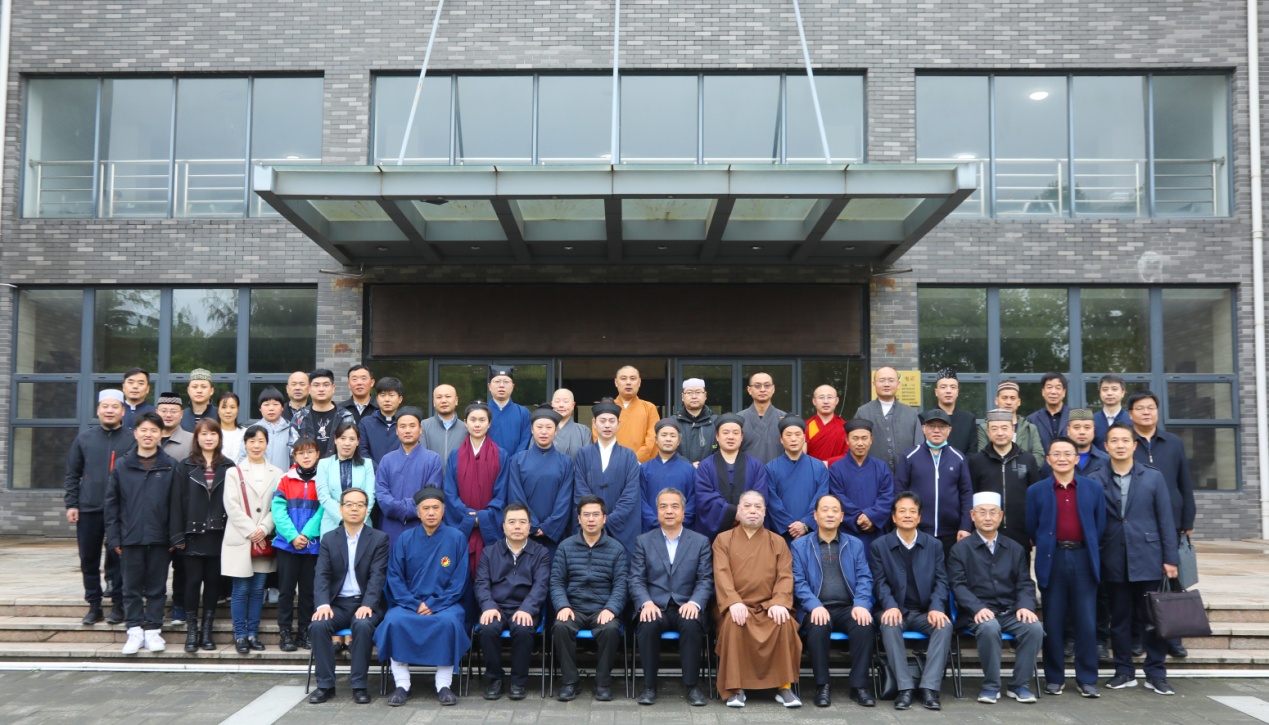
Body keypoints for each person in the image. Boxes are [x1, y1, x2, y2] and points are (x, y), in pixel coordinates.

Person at [1091, 423, 1180, 695]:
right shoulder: (1094, 479)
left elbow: (1166, 520)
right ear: (1105, 446)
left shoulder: (1153, 477)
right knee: (1119, 619)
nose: (1120, 445)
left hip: (1149, 557)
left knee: (1154, 619)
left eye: (1125, 440)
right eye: (1114, 440)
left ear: (1134, 445)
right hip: (1112, 557)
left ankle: (1156, 673)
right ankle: (1123, 671)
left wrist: (1171, 559)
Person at [1026, 436, 1106, 698]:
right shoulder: (1036, 491)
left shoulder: (1093, 488)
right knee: (1053, 621)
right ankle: (1054, 678)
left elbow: (1099, 526)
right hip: (1053, 559)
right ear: (1048, 460)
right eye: (1056, 454)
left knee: (1086, 622)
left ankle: (1087, 679)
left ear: (1077, 459)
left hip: (1083, 559)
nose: (1062, 458)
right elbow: (1032, 527)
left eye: (1067, 453)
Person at [376, 487, 470, 707]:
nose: (431, 512)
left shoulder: (456, 538)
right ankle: (402, 684)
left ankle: (443, 684)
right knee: (393, 621)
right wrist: (414, 603)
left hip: (446, 604)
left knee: (449, 623)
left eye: (436, 508)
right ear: (418, 513)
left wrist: (435, 604)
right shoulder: (405, 539)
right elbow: (394, 577)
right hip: (409, 604)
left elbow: (460, 580)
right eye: (426, 508)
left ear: (443, 511)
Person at [948, 491, 1043, 705]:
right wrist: (977, 608)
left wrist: (1025, 606)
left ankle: (1019, 685)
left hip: (1009, 611)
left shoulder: (1015, 548)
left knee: (1034, 628)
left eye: (993, 513)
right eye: (982, 512)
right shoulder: (960, 550)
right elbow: (958, 585)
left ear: (1001, 516)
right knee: (989, 627)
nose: (988, 518)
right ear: (972, 515)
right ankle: (991, 686)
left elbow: (1025, 582)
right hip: (975, 613)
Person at [712, 490, 803, 708]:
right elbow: (721, 574)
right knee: (734, 623)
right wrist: (733, 602)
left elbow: (785, 576)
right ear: (738, 511)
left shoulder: (777, 541)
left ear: (764, 512)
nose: (752, 511)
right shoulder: (723, 540)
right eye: (747, 506)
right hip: (736, 606)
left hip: (768, 607)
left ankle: (784, 687)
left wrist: (780, 602)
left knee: (784, 622)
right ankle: (736, 688)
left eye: (758, 506)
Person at [1126, 390, 1195, 660]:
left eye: (1151, 407)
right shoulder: (1126, 442)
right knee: (1139, 585)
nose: (1146, 412)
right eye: (1140, 408)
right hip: (1139, 524)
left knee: (1172, 582)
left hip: (1172, 523)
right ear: (1130, 414)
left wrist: (1187, 519)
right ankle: (1138, 638)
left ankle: (1173, 637)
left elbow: (1184, 483)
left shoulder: (1173, 442)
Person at [791, 493, 876, 708]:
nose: (830, 514)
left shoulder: (854, 544)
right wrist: (814, 605)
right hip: (816, 607)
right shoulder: (800, 545)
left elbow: (865, 578)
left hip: (848, 607)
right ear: (815, 515)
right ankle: (822, 685)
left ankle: (859, 686)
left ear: (842, 516)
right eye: (825, 510)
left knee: (864, 625)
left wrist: (861, 604)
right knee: (818, 626)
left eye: (835, 510)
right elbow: (798, 582)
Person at [630, 488, 713, 707]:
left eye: (674, 506)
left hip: (686, 604)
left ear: (683, 512)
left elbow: (705, 579)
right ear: (657, 512)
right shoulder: (644, 541)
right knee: (647, 624)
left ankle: (692, 686)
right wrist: (646, 603)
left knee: (691, 623)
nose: (669, 511)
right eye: (663, 506)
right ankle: (649, 687)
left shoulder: (700, 542)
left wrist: (695, 602)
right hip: (655, 605)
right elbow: (636, 579)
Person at [308, 487, 391, 705]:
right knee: (318, 625)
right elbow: (322, 575)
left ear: (366, 509)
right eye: (349, 504)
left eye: (360, 505)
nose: (354, 508)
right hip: (337, 604)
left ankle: (359, 685)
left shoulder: (379, 539)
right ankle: (325, 685)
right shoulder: (329, 539)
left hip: (366, 603)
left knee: (362, 625)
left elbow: (377, 576)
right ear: (341, 508)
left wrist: (368, 604)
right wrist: (323, 604)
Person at [869, 491, 951, 711]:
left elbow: (941, 581)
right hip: (895, 610)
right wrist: (890, 606)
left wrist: (936, 608)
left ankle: (929, 688)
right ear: (894, 517)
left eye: (912, 511)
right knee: (889, 624)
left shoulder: (934, 545)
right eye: (902, 511)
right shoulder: (879, 545)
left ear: (919, 517)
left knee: (944, 625)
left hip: (924, 612)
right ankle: (904, 688)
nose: (907, 515)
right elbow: (879, 582)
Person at [104, 412, 176, 655]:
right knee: (131, 588)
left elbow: (177, 505)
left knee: (157, 587)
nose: (148, 435)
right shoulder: (122, 465)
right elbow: (111, 505)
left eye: (154, 430)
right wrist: (114, 537)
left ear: (161, 434)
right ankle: (134, 630)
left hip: (160, 538)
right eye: (143, 430)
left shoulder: (170, 465)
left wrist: (174, 536)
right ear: (135, 433)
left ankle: (153, 630)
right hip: (130, 537)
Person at [550, 495, 629, 702]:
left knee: (610, 629)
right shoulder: (565, 547)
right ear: (579, 519)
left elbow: (621, 584)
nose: (591, 519)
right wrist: (563, 606)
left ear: (604, 518)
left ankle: (603, 682)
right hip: (573, 608)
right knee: (561, 627)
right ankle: (570, 682)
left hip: (603, 609)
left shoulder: (616, 549)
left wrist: (611, 609)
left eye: (595, 514)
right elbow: (556, 582)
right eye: (586, 515)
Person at [64, 389, 133, 625]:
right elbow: (72, 474)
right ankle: (94, 605)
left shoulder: (131, 439)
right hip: (88, 508)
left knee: (119, 559)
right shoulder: (84, 438)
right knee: (88, 559)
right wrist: (72, 504)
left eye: (115, 407)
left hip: (121, 511)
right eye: (105, 406)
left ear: (123, 411)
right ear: (98, 410)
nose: (109, 411)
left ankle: (119, 605)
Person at [475, 502, 552, 701]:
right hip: (497, 607)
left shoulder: (541, 553)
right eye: (512, 522)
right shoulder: (489, 552)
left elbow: (541, 585)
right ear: (503, 526)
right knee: (488, 628)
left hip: (525, 607)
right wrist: (488, 606)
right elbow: (481, 583)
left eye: (522, 522)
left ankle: (518, 681)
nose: (517, 526)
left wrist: (527, 608)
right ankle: (495, 679)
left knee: (523, 628)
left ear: (529, 526)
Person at [170, 418, 234, 653]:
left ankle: (206, 632)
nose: (209, 438)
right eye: (204, 434)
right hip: (192, 535)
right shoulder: (185, 466)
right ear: (196, 438)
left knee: (213, 584)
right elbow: (175, 503)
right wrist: (177, 535)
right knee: (192, 581)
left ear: (219, 437)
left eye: (213, 434)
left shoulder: (228, 466)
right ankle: (192, 631)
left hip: (219, 535)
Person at [222, 424, 282, 654]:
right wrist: (252, 530)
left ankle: (253, 633)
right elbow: (231, 505)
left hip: (264, 539)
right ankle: (240, 635)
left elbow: (278, 506)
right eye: (252, 441)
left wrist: (264, 528)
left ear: (267, 444)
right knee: (240, 590)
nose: (256, 445)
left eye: (261, 441)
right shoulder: (233, 472)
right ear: (245, 444)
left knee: (258, 589)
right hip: (240, 538)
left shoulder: (277, 473)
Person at [442, 402, 507, 594]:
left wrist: (484, 517)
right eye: (473, 420)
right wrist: (470, 516)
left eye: (482, 420)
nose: (477, 424)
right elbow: (450, 493)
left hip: (489, 527)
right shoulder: (455, 455)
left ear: (489, 424)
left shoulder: (501, 455)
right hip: (463, 524)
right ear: (465, 423)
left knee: (490, 573)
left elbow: (502, 493)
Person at [896, 409, 973, 558]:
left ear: (949, 430)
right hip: (917, 530)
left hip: (952, 532)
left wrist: (965, 526)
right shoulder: (910, 456)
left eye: (942, 426)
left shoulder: (958, 458)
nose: (936, 430)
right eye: (931, 426)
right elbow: (899, 491)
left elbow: (966, 493)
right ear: (923, 429)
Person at [271, 436, 324, 653]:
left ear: (317, 454)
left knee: (308, 592)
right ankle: (285, 633)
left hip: (312, 546)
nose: (306, 456)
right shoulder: (285, 479)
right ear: (294, 456)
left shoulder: (322, 479)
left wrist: (306, 534)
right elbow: (278, 511)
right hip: (287, 545)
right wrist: (293, 536)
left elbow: (322, 510)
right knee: (286, 591)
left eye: (310, 452)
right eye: (301, 453)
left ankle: (304, 632)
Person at [968, 409, 1043, 552]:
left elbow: (1036, 498)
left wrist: (1034, 530)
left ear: (1013, 430)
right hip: (986, 533)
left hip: (1021, 533)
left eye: (1004, 428)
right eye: (994, 429)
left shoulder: (1027, 459)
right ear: (988, 432)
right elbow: (971, 496)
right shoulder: (977, 461)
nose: (1000, 433)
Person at [574, 399, 642, 556]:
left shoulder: (629, 455)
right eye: (602, 421)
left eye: (612, 421)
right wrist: (594, 517)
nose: (607, 425)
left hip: (621, 526)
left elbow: (631, 493)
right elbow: (580, 488)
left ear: (619, 424)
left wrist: (609, 519)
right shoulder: (583, 454)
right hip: (590, 524)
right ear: (594, 423)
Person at [505, 406, 575, 550]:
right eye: (539, 427)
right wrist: (531, 524)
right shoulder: (518, 460)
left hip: (555, 534)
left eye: (549, 427)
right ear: (532, 429)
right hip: (525, 531)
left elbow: (565, 499)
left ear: (556, 431)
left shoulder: (565, 462)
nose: (544, 432)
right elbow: (515, 495)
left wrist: (549, 527)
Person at [694, 413, 770, 539]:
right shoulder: (705, 466)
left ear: (741, 437)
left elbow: (760, 496)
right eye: (725, 432)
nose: (731, 437)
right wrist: (733, 513)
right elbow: (704, 498)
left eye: (735, 433)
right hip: (714, 535)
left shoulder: (755, 465)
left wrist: (746, 512)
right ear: (717, 436)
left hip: (749, 531)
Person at [375, 406, 444, 547]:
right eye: (403, 426)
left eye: (412, 426)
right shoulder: (387, 460)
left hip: (420, 525)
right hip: (391, 524)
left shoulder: (433, 459)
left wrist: (407, 510)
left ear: (420, 429)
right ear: (396, 430)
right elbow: (381, 493)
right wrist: (401, 510)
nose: (407, 430)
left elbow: (431, 494)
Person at [827, 418, 895, 549]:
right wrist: (859, 518)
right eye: (855, 438)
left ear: (871, 440)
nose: (860, 443)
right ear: (847, 440)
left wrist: (871, 517)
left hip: (876, 529)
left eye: (864, 438)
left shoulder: (881, 467)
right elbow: (837, 497)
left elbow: (887, 497)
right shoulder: (836, 469)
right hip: (846, 531)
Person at [156, 391, 192, 624]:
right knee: (156, 566)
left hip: (182, 513)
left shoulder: (191, 440)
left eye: (173, 411)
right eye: (164, 411)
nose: (168, 415)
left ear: (181, 414)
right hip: (154, 514)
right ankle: (156, 607)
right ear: (156, 413)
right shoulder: (147, 436)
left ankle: (179, 605)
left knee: (182, 566)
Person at [765, 415, 829, 542]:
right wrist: (790, 525)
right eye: (788, 435)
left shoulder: (819, 467)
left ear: (804, 438)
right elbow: (772, 501)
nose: (793, 439)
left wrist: (805, 524)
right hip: (782, 534)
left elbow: (821, 498)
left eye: (798, 434)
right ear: (781, 439)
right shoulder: (771, 468)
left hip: (811, 533)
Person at [854, 366, 923, 473]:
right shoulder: (863, 412)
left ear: (898, 384)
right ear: (874, 384)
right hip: (871, 474)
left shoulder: (911, 414)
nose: (886, 384)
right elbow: (854, 446)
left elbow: (919, 448)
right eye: (882, 380)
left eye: (891, 380)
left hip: (905, 475)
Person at [315, 421, 376, 537]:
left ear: (358, 441)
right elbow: (323, 496)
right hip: (332, 523)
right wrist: (344, 519)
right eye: (342, 438)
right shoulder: (324, 464)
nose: (347, 443)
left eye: (352, 439)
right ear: (335, 439)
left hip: (362, 523)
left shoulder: (367, 464)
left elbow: (370, 495)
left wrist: (358, 519)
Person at [639, 419, 697, 532]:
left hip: (681, 530)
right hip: (651, 530)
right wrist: (654, 522)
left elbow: (693, 501)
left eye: (673, 436)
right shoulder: (644, 469)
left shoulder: (689, 470)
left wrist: (680, 521)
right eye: (664, 435)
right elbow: (641, 501)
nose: (668, 439)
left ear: (679, 441)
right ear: (656, 439)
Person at [976, 381, 1045, 460]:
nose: (1008, 402)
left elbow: (1039, 456)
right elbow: (982, 457)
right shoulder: (985, 427)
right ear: (996, 400)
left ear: (1019, 402)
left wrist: (1018, 467)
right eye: (1004, 398)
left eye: (1012, 398)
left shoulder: (1030, 428)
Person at [604, 365, 659, 463]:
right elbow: (599, 437)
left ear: (639, 382)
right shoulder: (606, 408)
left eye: (632, 378)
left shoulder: (649, 408)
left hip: (641, 464)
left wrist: (634, 460)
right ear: (616, 382)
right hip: (612, 463)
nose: (628, 382)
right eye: (623, 378)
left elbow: (652, 438)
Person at [295, 368, 354, 458]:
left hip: (337, 465)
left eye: (326, 385)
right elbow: (293, 448)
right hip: (307, 466)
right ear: (309, 389)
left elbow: (352, 446)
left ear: (333, 388)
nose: (321, 389)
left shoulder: (345, 416)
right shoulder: (300, 417)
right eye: (316, 385)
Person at [738, 371, 786, 464]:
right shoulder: (738, 419)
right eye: (757, 386)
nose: (762, 390)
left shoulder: (784, 419)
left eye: (767, 386)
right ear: (749, 390)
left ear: (773, 389)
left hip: (777, 472)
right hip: (747, 472)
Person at [422, 384, 468, 474]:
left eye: (448, 396)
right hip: (432, 479)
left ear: (456, 400)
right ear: (434, 402)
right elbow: (422, 458)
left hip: (458, 479)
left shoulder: (466, 428)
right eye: (439, 397)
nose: (443, 401)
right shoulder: (423, 426)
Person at [359, 376, 404, 467]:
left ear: (400, 399)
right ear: (377, 398)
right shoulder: (366, 423)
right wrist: (379, 471)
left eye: (391, 395)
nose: (387, 399)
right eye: (382, 395)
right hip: (372, 473)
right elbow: (362, 451)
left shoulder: (405, 424)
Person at [249, 387, 298, 470]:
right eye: (266, 405)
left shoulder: (290, 430)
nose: (271, 408)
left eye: (275, 404)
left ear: (282, 407)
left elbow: (297, 456)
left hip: (284, 477)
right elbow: (243, 456)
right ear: (260, 408)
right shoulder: (252, 430)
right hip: (257, 477)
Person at [672, 378, 718, 464]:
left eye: (698, 392)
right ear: (682, 396)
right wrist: (689, 466)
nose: (694, 396)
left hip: (709, 471)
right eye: (689, 392)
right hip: (681, 470)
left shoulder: (716, 422)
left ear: (705, 395)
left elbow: (722, 450)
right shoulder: (672, 422)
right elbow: (668, 450)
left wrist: (704, 466)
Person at [487, 365, 531, 455]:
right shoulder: (481, 412)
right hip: (486, 462)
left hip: (516, 462)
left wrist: (515, 461)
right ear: (489, 386)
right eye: (497, 381)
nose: (501, 385)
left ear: (512, 386)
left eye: (506, 382)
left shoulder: (523, 413)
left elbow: (526, 442)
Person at [933, 368, 978, 455]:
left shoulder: (968, 419)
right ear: (936, 392)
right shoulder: (925, 418)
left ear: (957, 392)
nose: (948, 391)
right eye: (943, 387)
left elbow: (972, 451)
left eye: (953, 387)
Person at [1026, 372, 1071, 455]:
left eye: (1058, 388)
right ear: (1043, 391)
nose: (1053, 392)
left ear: (1064, 392)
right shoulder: (1032, 420)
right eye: (1049, 387)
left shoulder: (1074, 417)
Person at [805, 384, 848, 461]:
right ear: (814, 401)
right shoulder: (806, 426)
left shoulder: (845, 427)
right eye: (821, 397)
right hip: (811, 468)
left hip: (837, 468)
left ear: (836, 400)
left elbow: (849, 455)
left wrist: (828, 463)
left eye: (829, 397)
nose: (826, 401)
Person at [1092, 374, 1131, 450]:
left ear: (1123, 392)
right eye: (1105, 389)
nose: (1109, 393)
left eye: (1114, 389)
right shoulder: (1092, 420)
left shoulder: (1132, 420)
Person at [549, 388, 591, 458]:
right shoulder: (543, 430)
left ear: (573, 405)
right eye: (557, 401)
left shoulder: (584, 431)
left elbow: (587, 459)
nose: (561, 405)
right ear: (552, 404)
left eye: (565, 401)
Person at [1068, 408, 1109, 477]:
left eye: (1087, 427)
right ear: (1068, 431)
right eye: (1077, 427)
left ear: (1094, 430)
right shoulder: (1058, 460)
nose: (1082, 432)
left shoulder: (1106, 460)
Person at [217, 392, 246, 463]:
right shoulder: (213, 434)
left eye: (232, 407)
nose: (228, 411)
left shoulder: (245, 433)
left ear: (238, 410)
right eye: (224, 407)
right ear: (218, 410)